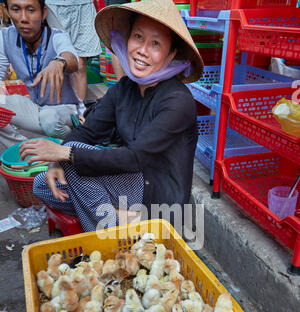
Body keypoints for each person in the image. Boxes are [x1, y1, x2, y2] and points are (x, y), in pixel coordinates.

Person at [20, 0, 204, 233]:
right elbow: (89, 131)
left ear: (170, 55)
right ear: (127, 39)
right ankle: (118, 216)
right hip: (127, 182)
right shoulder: (126, 87)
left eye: (155, 43)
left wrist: (66, 153)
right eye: (138, 37)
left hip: (156, 192)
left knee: (75, 167)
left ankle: (114, 230)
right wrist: (57, 160)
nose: (142, 50)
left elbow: (135, 158)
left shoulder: (178, 101)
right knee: (43, 185)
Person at [0, 0, 82, 149]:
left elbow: (73, 60)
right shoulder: (5, 37)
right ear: (7, 10)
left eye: (31, 10)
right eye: (16, 9)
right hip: (34, 109)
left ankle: (71, 144)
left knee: (49, 119)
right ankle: (23, 150)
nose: (23, 18)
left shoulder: (57, 36)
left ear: (43, 12)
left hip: (65, 110)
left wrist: (59, 62)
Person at [45, 0, 101, 100]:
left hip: (83, 5)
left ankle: (81, 112)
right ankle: (55, 109)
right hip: (52, 6)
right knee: (53, 61)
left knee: (80, 65)